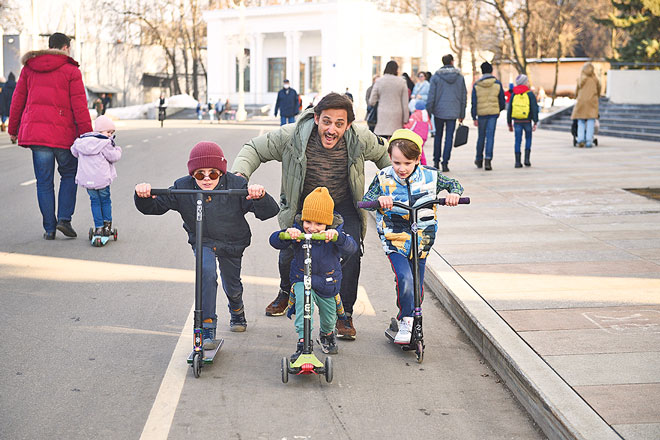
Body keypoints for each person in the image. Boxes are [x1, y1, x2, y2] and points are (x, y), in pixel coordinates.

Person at [232, 92, 391, 340]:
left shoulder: (359, 138)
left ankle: (344, 315)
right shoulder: (292, 135)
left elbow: (384, 154)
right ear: (316, 118)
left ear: (348, 124)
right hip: (305, 204)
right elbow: (253, 148)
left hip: (343, 204)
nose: (332, 129)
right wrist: (240, 177)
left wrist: (397, 184)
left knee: (350, 253)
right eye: (327, 121)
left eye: (339, 124)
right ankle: (286, 291)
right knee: (289, 249)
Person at [134, 141, 279, 347]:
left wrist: (259, 196)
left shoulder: (236, 185)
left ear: (221, 172)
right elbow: (154, 207)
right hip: (203, 240)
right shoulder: (182, 187)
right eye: (200, 174)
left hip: (232, 241)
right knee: (206, 274)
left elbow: (269, 211)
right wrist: (143, 196)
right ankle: (207, 328)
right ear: (193, 174)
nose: (207, 179)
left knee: (232, 283)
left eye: (213, 173)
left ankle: (236, 309)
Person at [361, 129, 463, 343]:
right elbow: (367, 197)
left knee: (417, 284)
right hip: (395, 238)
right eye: (397, 162)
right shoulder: (384, 177)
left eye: (407, 163)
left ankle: (410, 318)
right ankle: (406, 321)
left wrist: (453, 195)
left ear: (417, 159)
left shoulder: (430, 176)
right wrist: (379, 201)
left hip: (421, 240)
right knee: (405, 279)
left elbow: (454, 184)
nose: (401, 168)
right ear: (390, 157)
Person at [8, 32, 93, 240]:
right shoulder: (71, 70)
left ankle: (49, 228)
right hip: (64, 136)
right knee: (69, 174)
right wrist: (87, 135)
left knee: (44, 182)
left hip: (38, 137)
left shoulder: (29, 68)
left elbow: (18, 99)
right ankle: (64, 219)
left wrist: (13, 128)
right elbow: (80, 107)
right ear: (65, 48)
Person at [269, 187, 358, 359]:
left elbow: (351, 247)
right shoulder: (299, 233)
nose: (312, 228)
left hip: (327, 283)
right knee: (303, 308)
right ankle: (304, 340)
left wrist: (337, 237)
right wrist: (285, 234)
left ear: (328, 223)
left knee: (329, 317)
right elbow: (274, 241)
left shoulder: (335, 234)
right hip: (303, 280)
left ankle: (326, 334)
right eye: (307, 222)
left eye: (319, 224)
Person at [70, 116, 122, 241]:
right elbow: (114, 157)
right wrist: (118, 149)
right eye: (108, 132)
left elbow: (74, 151)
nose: (110, 135)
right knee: (105, 200)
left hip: (88, 180)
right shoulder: (104, 143)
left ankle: (98, 227)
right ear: (99, 131)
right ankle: (107, 225)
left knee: (94, 202)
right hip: (102, 180)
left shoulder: (81, 142)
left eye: (111, 133)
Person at [427, 54, 467, 172]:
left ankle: (436, 161)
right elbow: (463, 96)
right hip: (453, 111)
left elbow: (431, 96)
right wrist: (462, 113)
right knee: (449, 137)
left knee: (438, 136)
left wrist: (429, 112)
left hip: (438, 111)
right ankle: (445, 162)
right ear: (452, 62)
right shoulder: (459, 77)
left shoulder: (436, 77)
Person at [471, 61, 505, 171]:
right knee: (490, 137)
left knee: (481, 136)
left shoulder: (477, 85)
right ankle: (488, 160)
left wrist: (473, 116)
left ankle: (478, 159)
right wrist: (498, 109)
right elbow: (502, 101)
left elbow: (474, 102)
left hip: (481, 115)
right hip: (493, 114)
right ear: (491, 71)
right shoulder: (497, 84)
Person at [369, 60, 409, 140]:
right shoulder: (402, 82)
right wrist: (406, 119)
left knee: (381, 141)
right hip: (397, 115)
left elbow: (372, 101)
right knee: (395, 140)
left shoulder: (379, 81)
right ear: (396, 70)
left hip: (382, 114)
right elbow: (405, 103)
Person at [507, 74, 539, 168]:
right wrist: (535, 121)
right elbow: (534, 108)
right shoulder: (529, 94)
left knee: (517, 140)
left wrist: (509, 122)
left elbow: (510, 109)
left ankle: (517, 162)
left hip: (517, 121)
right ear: (524, 82)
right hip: (527, 121)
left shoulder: (514, 93)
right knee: (528, 139)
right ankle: (527, 160)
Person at [570, 62, 601, 148]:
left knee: (581, 121)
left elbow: (576, 91)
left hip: (581, 102)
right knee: (591, 121)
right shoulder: (595, 79)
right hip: (592, 102)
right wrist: (596, 96)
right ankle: (589, 141)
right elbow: (599, 90)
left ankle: (580, 139)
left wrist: (577, 97)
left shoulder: (580, 79)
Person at [404, 100, 430, 165]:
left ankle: (422, 164)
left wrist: (404, 126)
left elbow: (411, 125)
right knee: (420, 150)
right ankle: (422, 163)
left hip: (416, 136)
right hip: (424, 136)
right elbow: (430, 126)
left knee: (418, 151)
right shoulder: (426, 115)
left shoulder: (414, 115)